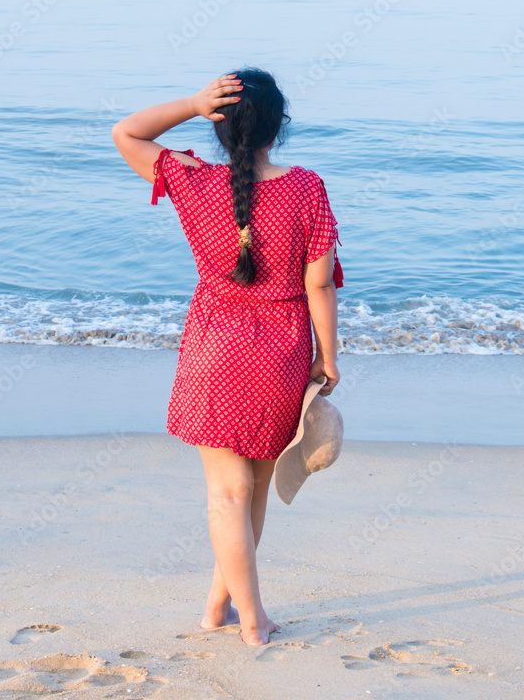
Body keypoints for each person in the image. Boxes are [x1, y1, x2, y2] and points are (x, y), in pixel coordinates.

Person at [111, 68, 343, 646]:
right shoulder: (307, 187)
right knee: (253, 492)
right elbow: (319, 286)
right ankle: (246, 618)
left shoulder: (196, 182)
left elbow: (127, 133)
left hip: (214, 347)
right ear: (278, 127)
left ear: (221, 127)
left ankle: (227, 611)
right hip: (282, 353)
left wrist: (193, 103)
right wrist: (328, 356)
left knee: (226, 495)